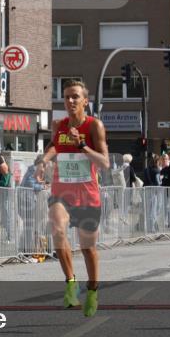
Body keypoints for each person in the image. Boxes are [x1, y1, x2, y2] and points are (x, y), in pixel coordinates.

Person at [34, 79, 110, 317]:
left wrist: (82, 146)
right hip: (62, 190)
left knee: (88, 248)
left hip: (87, 193)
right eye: (66, 97)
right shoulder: (59, 124)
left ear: (85, 101)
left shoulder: (94, 125)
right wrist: (44, 161)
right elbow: (55, 146)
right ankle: (70, 282)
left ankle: (93, 289)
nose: (70, 101)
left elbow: (105, 163)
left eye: (75, 96)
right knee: (57, 230)